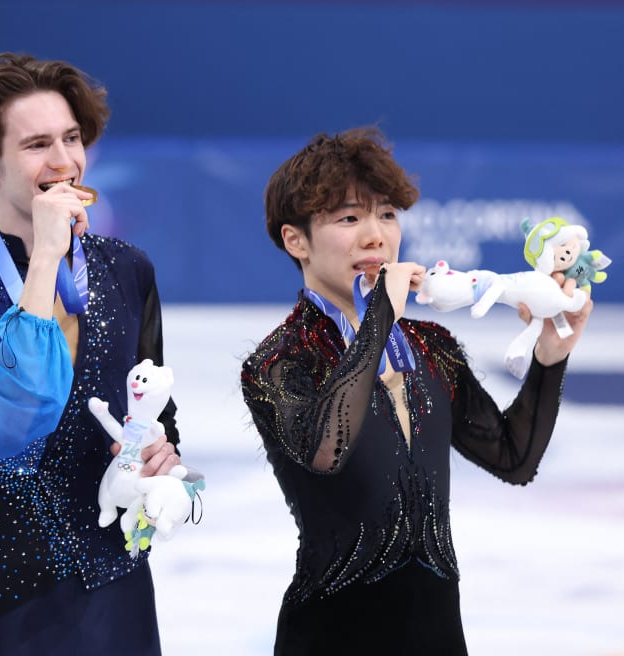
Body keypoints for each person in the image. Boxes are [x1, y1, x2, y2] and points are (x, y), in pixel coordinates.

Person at [240, 127, 593, 655]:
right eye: (349, 218)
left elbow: (513, 457)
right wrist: (377, 317)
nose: (376, 236)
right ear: (296, 240)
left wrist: (550, 355)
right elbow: (325, 449)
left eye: (386, 214)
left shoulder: (433, 349)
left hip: (437, 637)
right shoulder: (277, 362)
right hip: (329, 638)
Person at [0, 53, 190, 655]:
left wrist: (159, 455)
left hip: (118, 587)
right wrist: (43, 258)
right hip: (7, 595)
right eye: (38, 144)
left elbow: (156, 408)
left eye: (71, 138)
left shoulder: (127, 269)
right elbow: (2, 426)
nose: (64, 161)